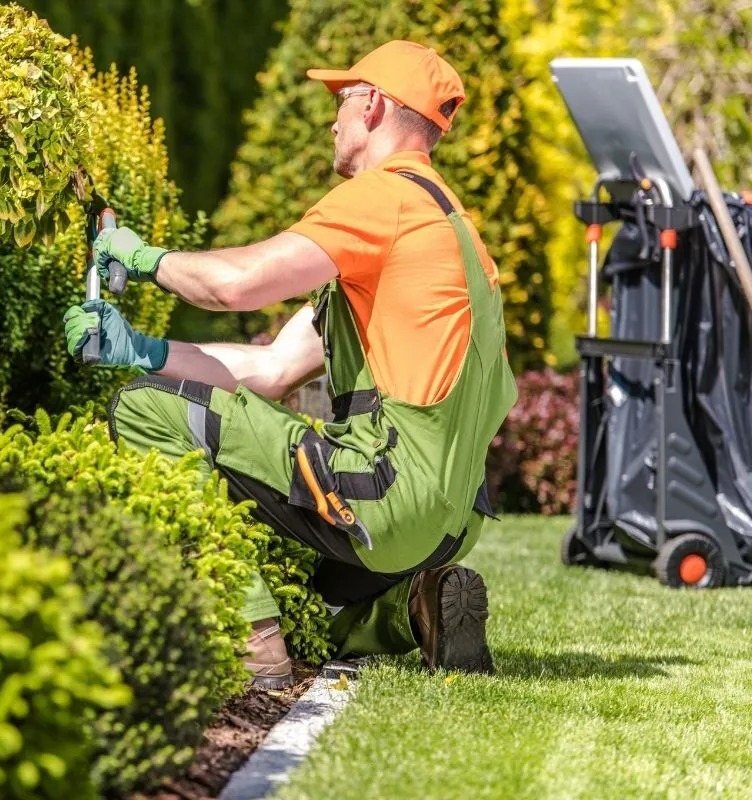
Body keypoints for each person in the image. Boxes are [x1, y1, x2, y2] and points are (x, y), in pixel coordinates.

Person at [62, 40, 517, 686]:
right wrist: (140, 350)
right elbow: (272, 368)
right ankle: (414, 609)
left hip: (385, 494)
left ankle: (250, 645)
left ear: (375, 106)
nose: (332, 118)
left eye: (341, 100)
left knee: (141, 410)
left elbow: (236, 285)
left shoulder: (384, 199)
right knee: (306, 593)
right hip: (449, 522)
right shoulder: (454, 233)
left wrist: (142, 258)